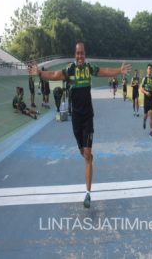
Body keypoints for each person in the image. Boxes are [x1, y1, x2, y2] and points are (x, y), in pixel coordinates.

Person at [28, 41, 131, 208]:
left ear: (85, 54)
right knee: (84, 153)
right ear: (74, 54)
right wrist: (39, 72)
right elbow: (54, 75)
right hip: (76, 117)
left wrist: (119, 71)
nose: (80, 56)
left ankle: (88, 193)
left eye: (82, 53)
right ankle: (88, 158)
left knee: (88, 153)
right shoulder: (70, 70)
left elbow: (104, 71)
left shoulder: (89, 68)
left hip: (88, 116)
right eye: (77, 53)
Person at [141, 64, 152, 138]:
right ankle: (144, 120)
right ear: (147, 70)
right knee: (146, 115)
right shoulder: (145, 79)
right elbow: (141, 89)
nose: (150, 70)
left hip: (151, 100)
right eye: (149, 69)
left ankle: (151, 131)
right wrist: (146, 92)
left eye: (151, 69)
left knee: (151, 115)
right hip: (146, 98)